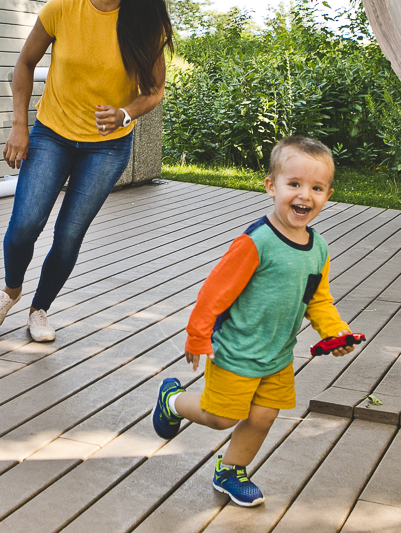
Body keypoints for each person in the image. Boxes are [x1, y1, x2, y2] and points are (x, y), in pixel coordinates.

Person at [0, 0, 173, 342]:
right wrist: (19, 127)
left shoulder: (146, 20)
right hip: (52, 134)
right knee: (26, 224)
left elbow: (154, 90)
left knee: (68, 234)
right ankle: (11, 289)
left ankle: (40, 308)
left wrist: (126, 113)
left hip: (107, 148)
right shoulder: (63, 6)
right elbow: (25, 64)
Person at [151, 136, 356, 507]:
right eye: (293, 184)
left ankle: (231, 470)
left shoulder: (319, 249)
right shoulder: (256, 242)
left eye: (316, 187)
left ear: (328, 194)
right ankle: (173, 400)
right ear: (271, 186)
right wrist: (198, 335)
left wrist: (334, 331)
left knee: (262, 418)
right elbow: (214, 292)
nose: (304, 196)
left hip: (278, 355)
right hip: (237, 350)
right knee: (220, 418)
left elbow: (319, 299)